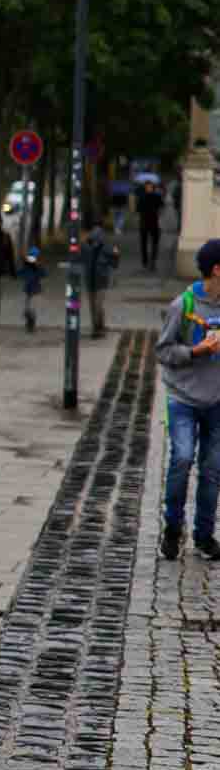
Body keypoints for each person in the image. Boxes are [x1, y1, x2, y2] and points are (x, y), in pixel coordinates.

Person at [155, 236, 220, 561]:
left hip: (217, 401)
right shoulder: (184, 305)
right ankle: (172, 528)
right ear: (217, 270)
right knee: (181, 459)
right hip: (182, 398)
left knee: (212, 471)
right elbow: (163, 351)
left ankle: (205, 536)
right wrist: (196, 351)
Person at [80, 218, 119, 337]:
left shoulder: (105, 249)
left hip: (100, 281)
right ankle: (98, 327)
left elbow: (114, 263)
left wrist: (116, 255)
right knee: (95, 305)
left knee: (97, 305)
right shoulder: (86, 248)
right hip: (92, 280)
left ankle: (97, 328)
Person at [137, 179, 165, 272]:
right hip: (148, 222)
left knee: (152, 243)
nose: (149, 188)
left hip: (150, 222)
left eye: (149, 187)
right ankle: (147, 261)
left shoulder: (143, 196)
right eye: (148, 187)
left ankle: (151, 261)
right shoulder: (155, 196)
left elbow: (138, 209)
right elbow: (162, 206)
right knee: (146, 243)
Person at [21, 245, 44, 332]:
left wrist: (38, 266)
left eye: (34, 257)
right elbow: (21, 274)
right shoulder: (26, 266)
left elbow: (43, 274)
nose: (32, 258)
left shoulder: (38, 267)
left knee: (32, 309)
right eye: (31, 256)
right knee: (27, 309)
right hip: (28, 290)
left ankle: (31, 325)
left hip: (35, 291)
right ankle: (29, 324)